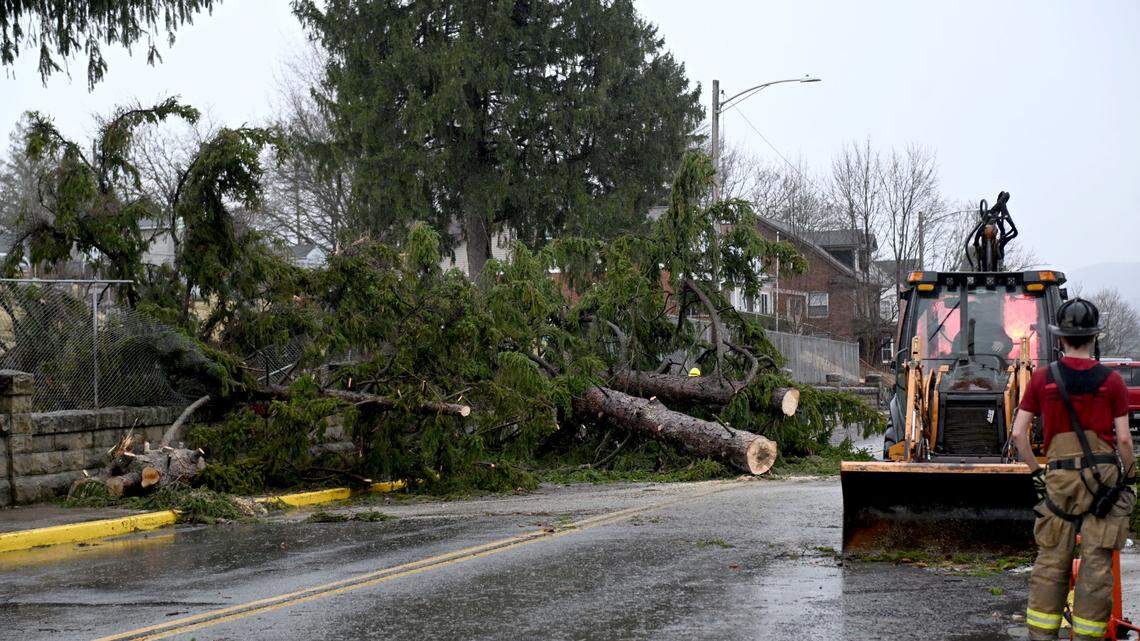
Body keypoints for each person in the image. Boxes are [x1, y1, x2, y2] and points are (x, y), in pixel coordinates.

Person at [1011, 298, 1136, 640]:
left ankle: (1042, 636)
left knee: (1052, 561)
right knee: (1096, 564)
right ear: (1095, 337)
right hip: (1105, 481)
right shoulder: (1112, 382)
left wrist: (1037, 472)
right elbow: (1124, 441)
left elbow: (1019, 434)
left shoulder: (1041, 379)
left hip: (1060, 478)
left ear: (1059, 338)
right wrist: (1129, 476)